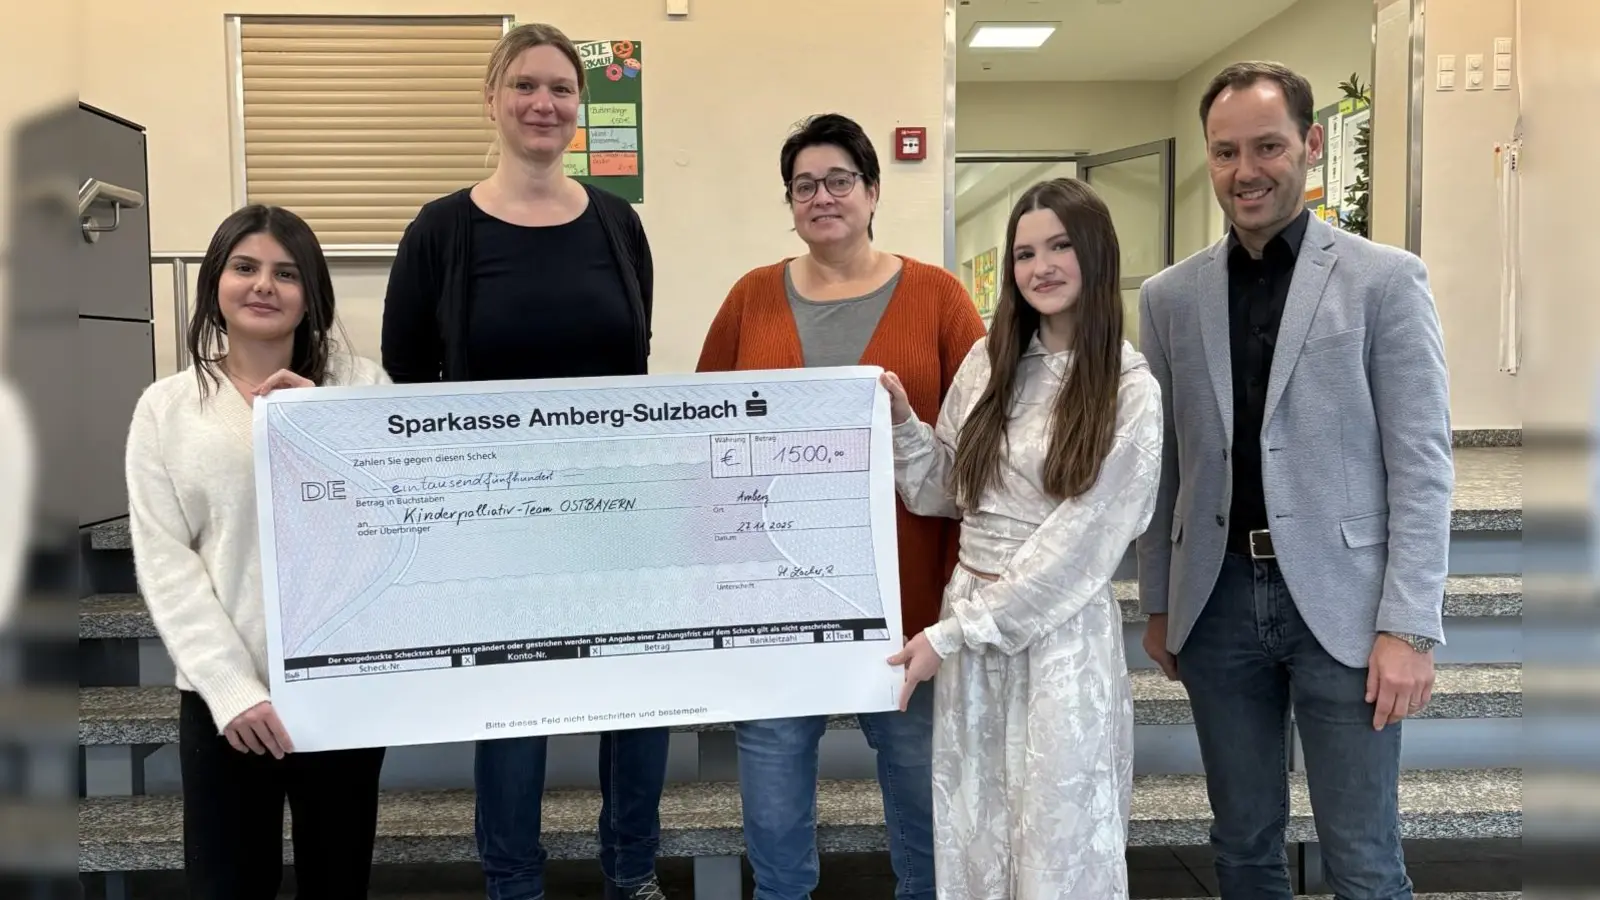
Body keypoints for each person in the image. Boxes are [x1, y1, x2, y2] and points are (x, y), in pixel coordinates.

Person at [1136, 61, 1453, 900]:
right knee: (1241, 847)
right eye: (1227, 151)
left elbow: (1422, 463)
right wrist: (1161, 599)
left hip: (1346, 605)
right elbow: (1166, 461)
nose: (1247, 171)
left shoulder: (1385, 281)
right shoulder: (1169, 298)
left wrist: (1411, 626)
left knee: (1364, 858)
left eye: (1268, 146)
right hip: (1220, 604)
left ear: (1310, 146)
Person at [378, 22, 667, 900]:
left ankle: (632, 871)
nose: (544, 103)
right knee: (512, 715)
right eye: (525, 86)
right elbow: (405, 369)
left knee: (638, 699)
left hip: (615, 506)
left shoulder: (620, 224)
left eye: (561, 90)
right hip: (497, 515)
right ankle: (513, 882)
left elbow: (635, 359)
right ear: (492, 99)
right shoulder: (441, 230)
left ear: (582, 108)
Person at [695, 112, 985, 900]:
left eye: (839, 180)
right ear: (789, 203)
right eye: (803, 185)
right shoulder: (751, 298)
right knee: (776, 789)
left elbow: (981, 439)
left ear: (873, 191)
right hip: (779, 602)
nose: (822, 196)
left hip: (908, 599)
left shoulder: (938, 296)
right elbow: (707, 431)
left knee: (920, 787)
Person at [883, 177, 1162, 900]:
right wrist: (900, 426)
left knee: (1055, 836)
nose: (1041, 267)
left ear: (1096, 253)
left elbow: (1083, 544)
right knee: (975, 824)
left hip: (1057, 640)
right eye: (1025, 252)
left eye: (1060, 246)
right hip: (972, 627)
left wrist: (957, 632)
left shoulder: (1129, 389)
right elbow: (948, 488)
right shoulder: (989, 363)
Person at [125, 204, 391, 898]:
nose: (263, 285)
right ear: (216, 279)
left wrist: (321, 428)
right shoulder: (166, 408)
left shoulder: (362, 388)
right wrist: (231, 690)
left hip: (339, 688)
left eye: (286, 273)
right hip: (226, 705)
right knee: (228, 884)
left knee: (338, 883)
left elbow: (394, 524)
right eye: (245, 267)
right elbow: (166, 560)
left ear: (312, 295)